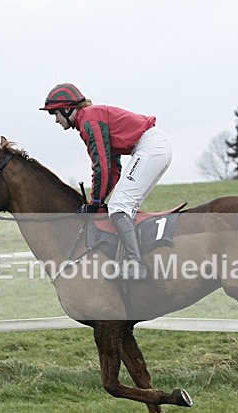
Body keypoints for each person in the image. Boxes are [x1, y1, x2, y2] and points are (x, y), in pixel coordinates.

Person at [40, 83, 172, 280]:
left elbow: (100, 165)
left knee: (119, 207)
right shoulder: (90, 119)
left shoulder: (88, 121)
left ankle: (135, 265)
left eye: (55, 114)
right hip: (153, 148)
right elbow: (113, 168)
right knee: (123, 206)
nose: (56, 120)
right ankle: (136, 258)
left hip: (150, 148)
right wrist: (99, 201)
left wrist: (95, 202)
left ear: (67, 108)